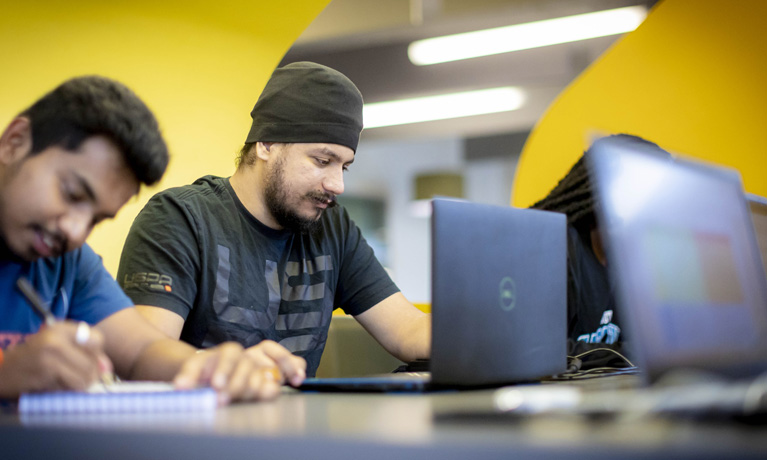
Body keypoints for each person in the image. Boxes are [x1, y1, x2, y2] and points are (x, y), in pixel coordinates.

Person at [117, 62, 431, 378]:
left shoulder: (333, 229)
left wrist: (476, 328)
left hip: (295, 425)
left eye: (344, 167)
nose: (337, 185)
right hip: (203, 423)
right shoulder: (179, 219)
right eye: (323, 161)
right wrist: (223, 372)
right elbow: (144, 355)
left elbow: (409, 330)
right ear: (267, 144)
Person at [0, 75, 304, 401]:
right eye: (72, 194)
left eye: (96, 220)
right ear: (14, 142)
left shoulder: (68, 262)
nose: (75, 231)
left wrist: (212, 367)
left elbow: (142, 350)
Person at [530, 134, 670, 365]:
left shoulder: (635, 261)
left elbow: (650, 342)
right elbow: (541, 349)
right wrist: (625, 353)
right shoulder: (555, 250)